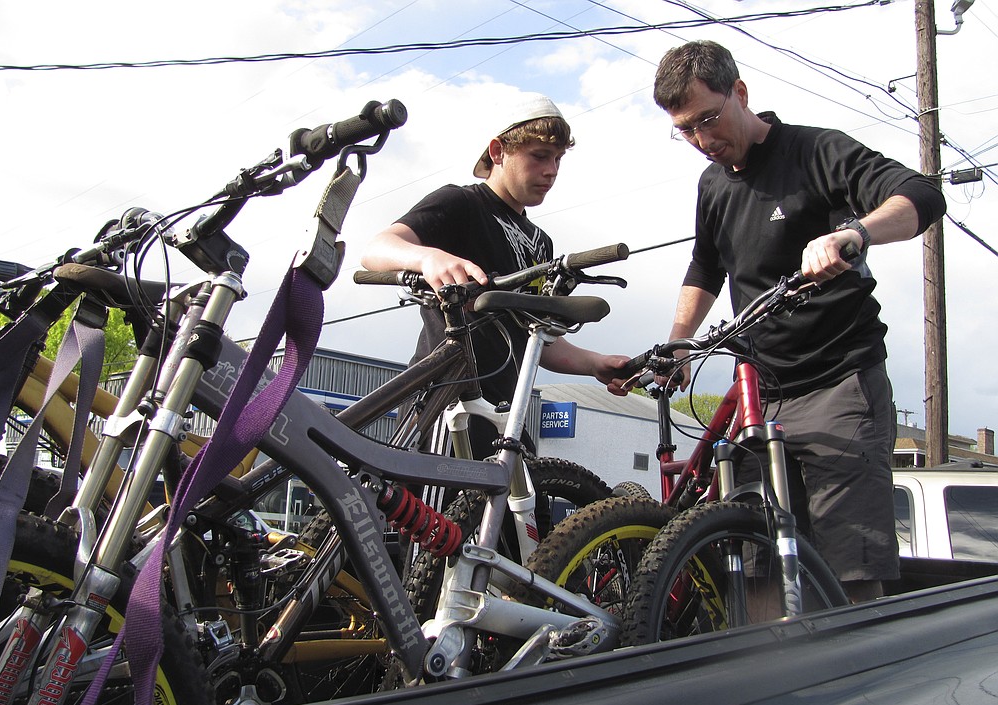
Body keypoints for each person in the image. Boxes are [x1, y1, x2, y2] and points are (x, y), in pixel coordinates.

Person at [650, 40, 947, 602]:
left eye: (708, 120)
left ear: (740, 93)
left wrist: (854, 233)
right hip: (762, 396)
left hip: (838, 384)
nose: (701, 141)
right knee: (761, 572)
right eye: (685, 130)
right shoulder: (712, 185)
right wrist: (679, 345)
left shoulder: (815, 151)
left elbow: (920, 195)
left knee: (848, 575)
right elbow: (706, 266)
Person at [360, 93, 630, 462]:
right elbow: (377, 248)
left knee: (529, 510)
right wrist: (428, 258)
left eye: (557, 159)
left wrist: (594, 363)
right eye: (539, 156)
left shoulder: (540, 243)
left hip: (505, 414)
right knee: (435, 518)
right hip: (447, 405)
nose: (551, 170)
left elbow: (537, 337)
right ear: (498, 151)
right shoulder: (462, 204)